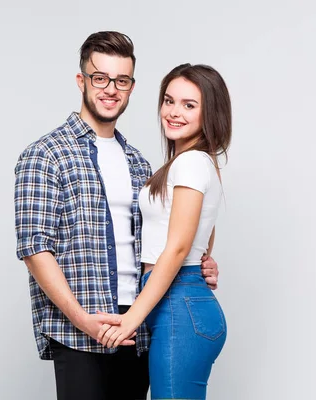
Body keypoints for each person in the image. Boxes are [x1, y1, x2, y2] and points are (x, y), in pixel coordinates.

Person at [13, 31, 221, 400]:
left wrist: (200, 260)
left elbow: (169, 234)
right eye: (100, 78)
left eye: (121, 80)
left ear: (131, 87)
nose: (111, 89)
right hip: (81, 326)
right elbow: (34, 248)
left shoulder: (140, 164)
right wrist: (81, 319)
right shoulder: (45, 155)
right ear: (82, 81)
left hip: (139, 324)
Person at [97, 63, 232, 399]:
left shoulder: (190, 163)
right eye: (169, 101)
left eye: (189, 105)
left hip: (178, 304)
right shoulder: (195, 162)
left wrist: (131, 320)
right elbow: (200, 229)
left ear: (210, 113)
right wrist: (202, 258)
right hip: (182, 303)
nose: (174, 112)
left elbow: (175, 249)